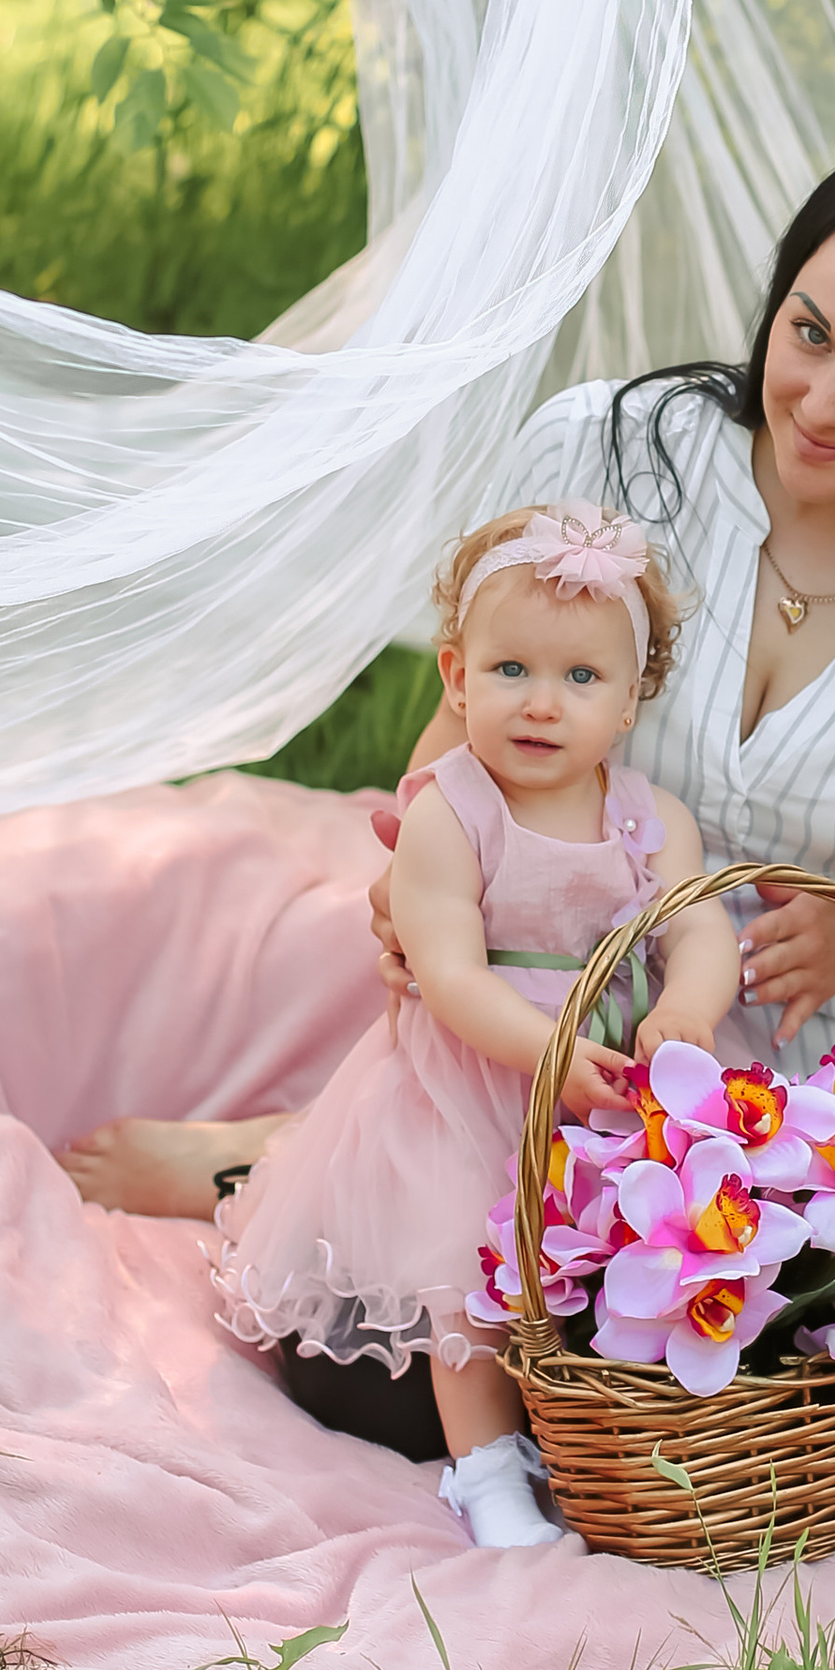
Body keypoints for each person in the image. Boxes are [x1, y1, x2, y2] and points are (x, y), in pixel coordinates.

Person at [65, 143, 835, 1447]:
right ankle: (271, 1168)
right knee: (375, 1376)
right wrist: (427, 880)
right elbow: (464, 729)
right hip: (583, 1054)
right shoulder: (623, 455)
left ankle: (338, 1175)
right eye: (806, 333)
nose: (820, 399)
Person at [208, 502, 743, 1546]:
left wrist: (683, 1008)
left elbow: (704, 930)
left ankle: (600, 1433)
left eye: (581, 679)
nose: (541, 705)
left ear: (631, 699)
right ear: (455, 676)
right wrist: (546, 1052)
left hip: (603, 1096)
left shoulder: (648, 818)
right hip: (463, 1089)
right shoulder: (451, 812)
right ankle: (484, 1467)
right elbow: (447, 974)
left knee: (627, 1253)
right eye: (510, 672)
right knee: (468, 1262)